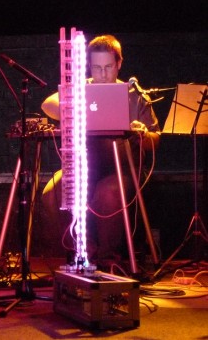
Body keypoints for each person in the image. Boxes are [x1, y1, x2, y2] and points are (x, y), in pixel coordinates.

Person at [40, 34, 160, 268]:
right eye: (96, 67)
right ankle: (83, 253)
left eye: (107, 67)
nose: (102, 74)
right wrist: (76, 109)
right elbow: (47, 104)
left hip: (123, 169)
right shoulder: (82, 88)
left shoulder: (134, 95)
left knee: (108, 193)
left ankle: (107, 261)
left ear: (119, 64)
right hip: (88, 168)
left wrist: (141, 134)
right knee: (52, 192)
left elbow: (156, 139)